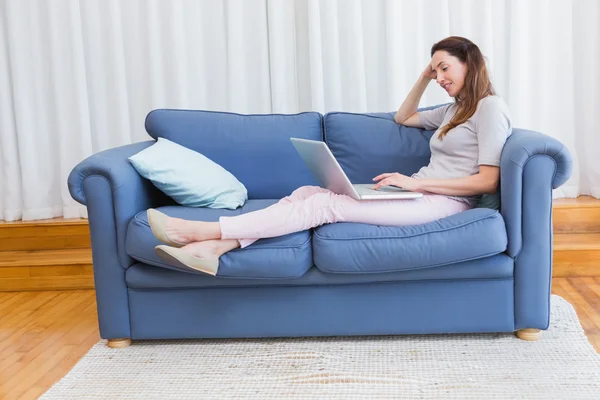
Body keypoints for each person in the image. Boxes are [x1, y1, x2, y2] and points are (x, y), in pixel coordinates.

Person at [148, 35, 513, 276]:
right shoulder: (453, 111)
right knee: (309, 193)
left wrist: (412, 182)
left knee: (326, 206)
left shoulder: (489, 108)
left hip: (446, 203)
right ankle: (214, 249)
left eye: (444, 68)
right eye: (436, 71)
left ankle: (207, 232)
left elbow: (488, 181)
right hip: (418, 193)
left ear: (471, 62)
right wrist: (424, 75)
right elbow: (404, 117)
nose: (439, 77)